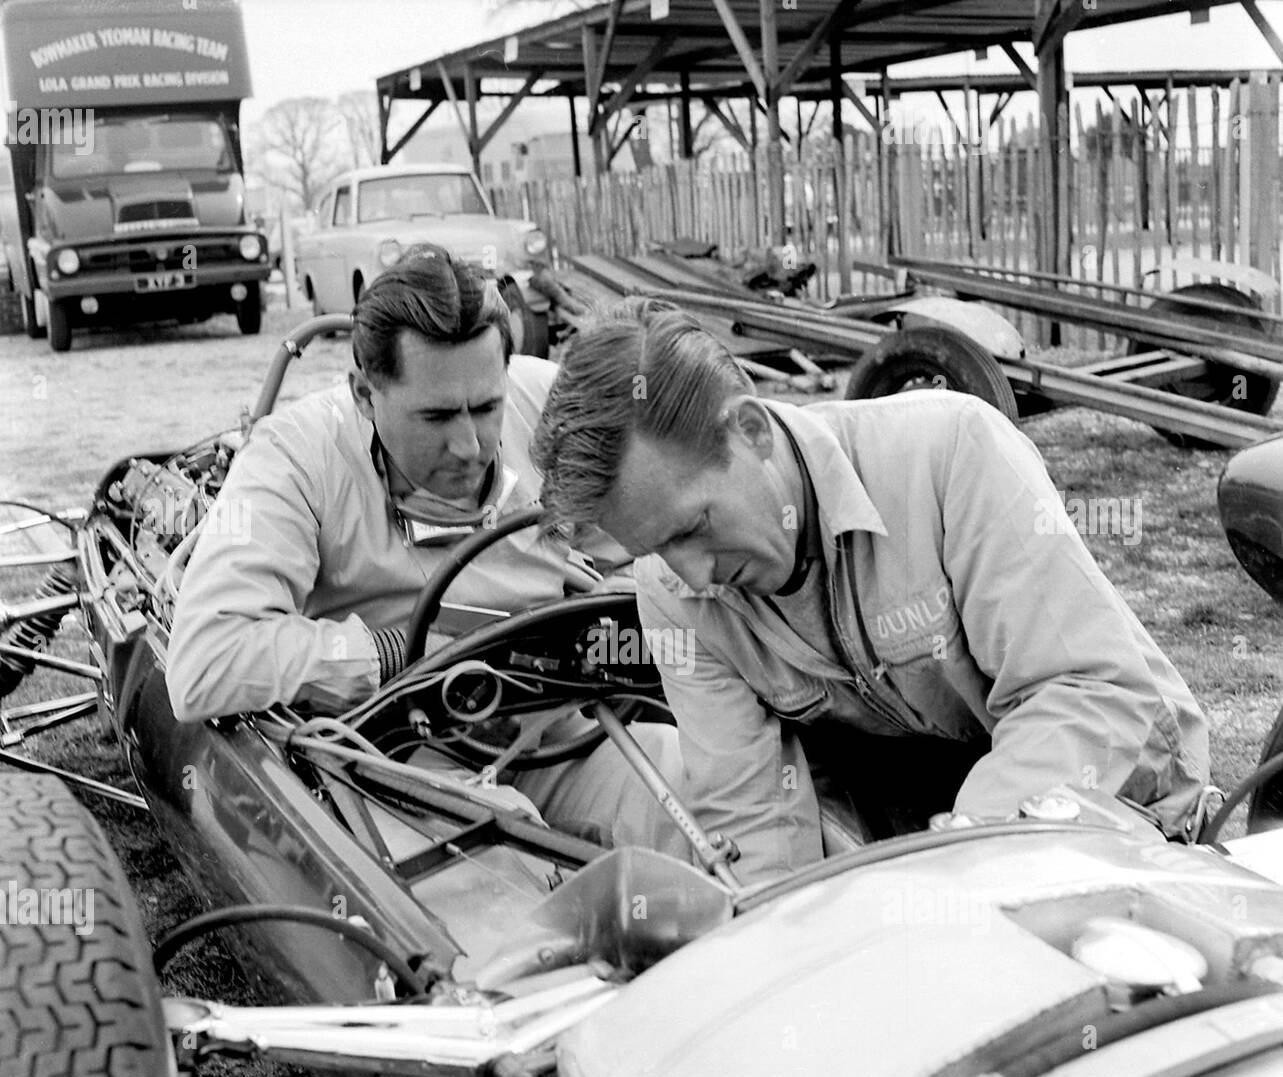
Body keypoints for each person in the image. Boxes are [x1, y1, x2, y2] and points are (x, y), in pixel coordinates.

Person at [531, 297, 1212, 885]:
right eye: (655, 550)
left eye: (693, 528)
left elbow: (1083, 695)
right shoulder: (670, 589)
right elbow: (751, 809)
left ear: (749, 430)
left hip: (1107, 803)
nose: (695, 577)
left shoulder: (949, 454)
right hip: (922, 837)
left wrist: (958, 861)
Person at [165, 253, 680, 852]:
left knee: (698, 790)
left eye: (486, 408)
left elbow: (653, 542)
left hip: (560, 737)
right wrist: (392, 654)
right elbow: (204, 662)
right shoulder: (294, 456)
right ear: (364, 393)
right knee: (493, 887)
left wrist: (616, 601)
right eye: (435, 417)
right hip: (403, 763)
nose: (469, 446)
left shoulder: (548, 405)